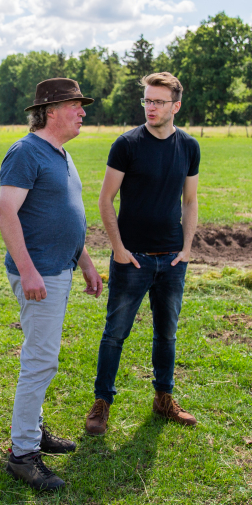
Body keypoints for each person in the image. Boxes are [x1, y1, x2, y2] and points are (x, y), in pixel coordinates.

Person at [0, 78, 104, 491]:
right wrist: (27, 271)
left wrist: (87, 263)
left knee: (41, 354)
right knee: (41, 359)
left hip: (60, 268)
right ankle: (23, 454)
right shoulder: (26, 152)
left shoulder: (61, 154)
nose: (82, 112)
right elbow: (7, 214)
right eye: (76, 106)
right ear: (52, 110)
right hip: (38, 273)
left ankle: (34, 430)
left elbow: (66, 217)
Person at [85, 72, 200, 436]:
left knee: (167, 334)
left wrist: (187, 248)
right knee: (115, 333)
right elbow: (105, 200)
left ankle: (163, 399)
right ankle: (102, 402)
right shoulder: (127, 144)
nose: (150, 107)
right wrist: (118, 250)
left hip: (171, 260)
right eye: (147, 101)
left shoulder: (189, 146)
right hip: (131, 258)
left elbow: (191, 200)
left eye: (158, 101)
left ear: (176, 106)